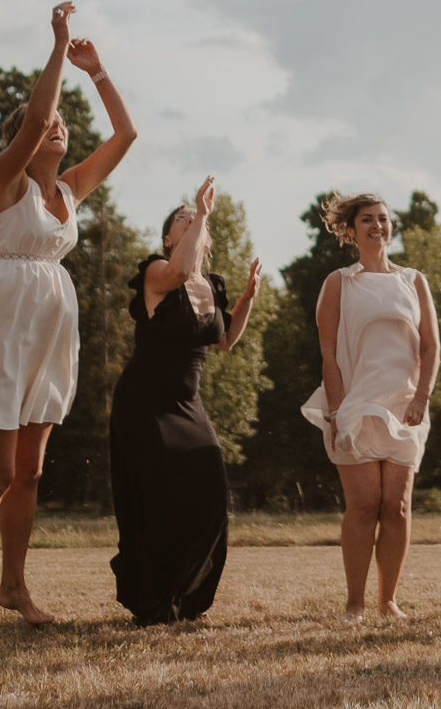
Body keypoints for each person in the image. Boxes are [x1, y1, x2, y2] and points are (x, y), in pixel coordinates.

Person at [0, 2, 137, 635]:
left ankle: (13, 587)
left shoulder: (69, 189)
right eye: (45, 125)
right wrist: (58, 47)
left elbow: (126, 137)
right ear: (20, 138)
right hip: (1, 326)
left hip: (48, 328)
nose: (57, 127)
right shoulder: (4, 180)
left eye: (61, 126)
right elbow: (42, 112)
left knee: (30, 470)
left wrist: (98, 73)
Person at [109, 176, 263, 625]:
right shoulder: (158, 272)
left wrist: (249, 297)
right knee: (160, 499)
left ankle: (187, 598)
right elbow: (180, 270)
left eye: (196, 219)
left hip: (188, 405)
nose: (192, 219)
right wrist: (203, 208)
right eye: (182, 218)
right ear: (168, 238)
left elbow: (227, 340)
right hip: (145, 403)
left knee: (211, 494)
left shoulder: (212, 287)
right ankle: (153, 602)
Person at [300, 193, 440, 620]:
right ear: (351, 229)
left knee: (396, 505)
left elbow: (432, 346)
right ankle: (355, 604)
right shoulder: (339, 283)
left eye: (383, 218)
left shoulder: (414, 280)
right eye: (367, 220)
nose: (377, 226)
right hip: (355, 405)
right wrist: (338, 409)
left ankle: (387, 602)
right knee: (364, 504)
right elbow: (327, 354)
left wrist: (422, 397)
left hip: (406, 406)